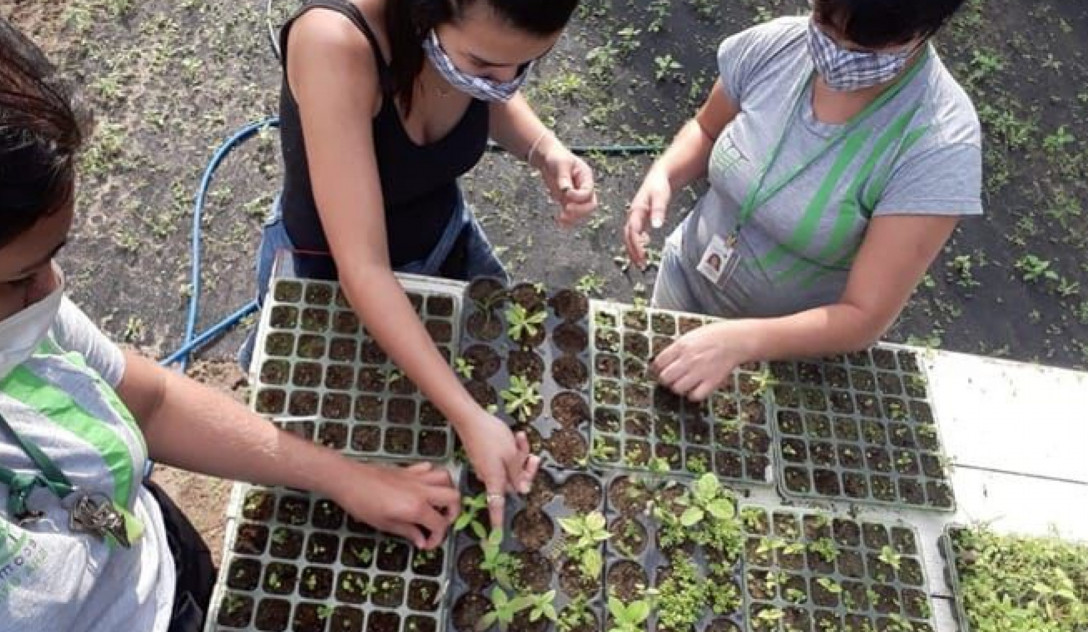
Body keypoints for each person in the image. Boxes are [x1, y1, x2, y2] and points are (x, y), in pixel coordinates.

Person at [0, 1, 459, 632]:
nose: (51, 293)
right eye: (18, 278)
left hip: (146, 580)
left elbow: (148, 400)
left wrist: (343, 475)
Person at [248, 0, 596, 526]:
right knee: (340, 432)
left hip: (443, 236)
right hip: (332, 272)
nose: (503, 82)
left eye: (523, 66)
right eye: (482, 66)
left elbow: (492, 97)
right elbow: (362, 268)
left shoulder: (475, 53)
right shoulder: (335, 44)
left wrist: (544, 148)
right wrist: (466, 416)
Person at [624, 0, 981, 400]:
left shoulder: (937, 145)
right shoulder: (777, 47)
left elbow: (864, 315)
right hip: (686, 278)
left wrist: (743, 341)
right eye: (826, 25)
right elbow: (707, 130)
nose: (837, 51)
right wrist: (664, 175)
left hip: (787, 355)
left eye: (863, 48)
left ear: (922, 31)